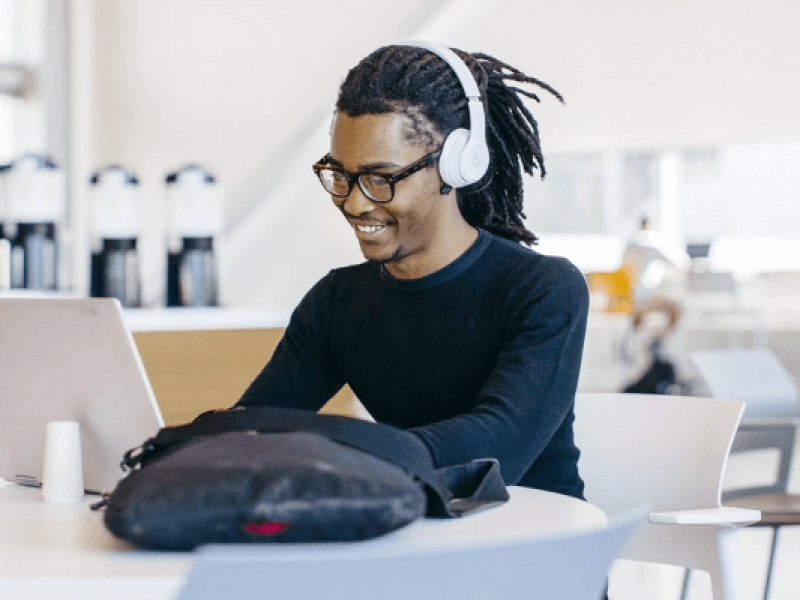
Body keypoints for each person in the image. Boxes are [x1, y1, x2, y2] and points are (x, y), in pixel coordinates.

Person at [235, 42, 590, 501]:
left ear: (457, 164)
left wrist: (334, 457)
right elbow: (259, 424)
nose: (354, 202)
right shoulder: (336, 301)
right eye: (340, 175)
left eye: (381, 179)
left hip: (540, 545)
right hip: (421, 537)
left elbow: (496, 449)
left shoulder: (544, 290)